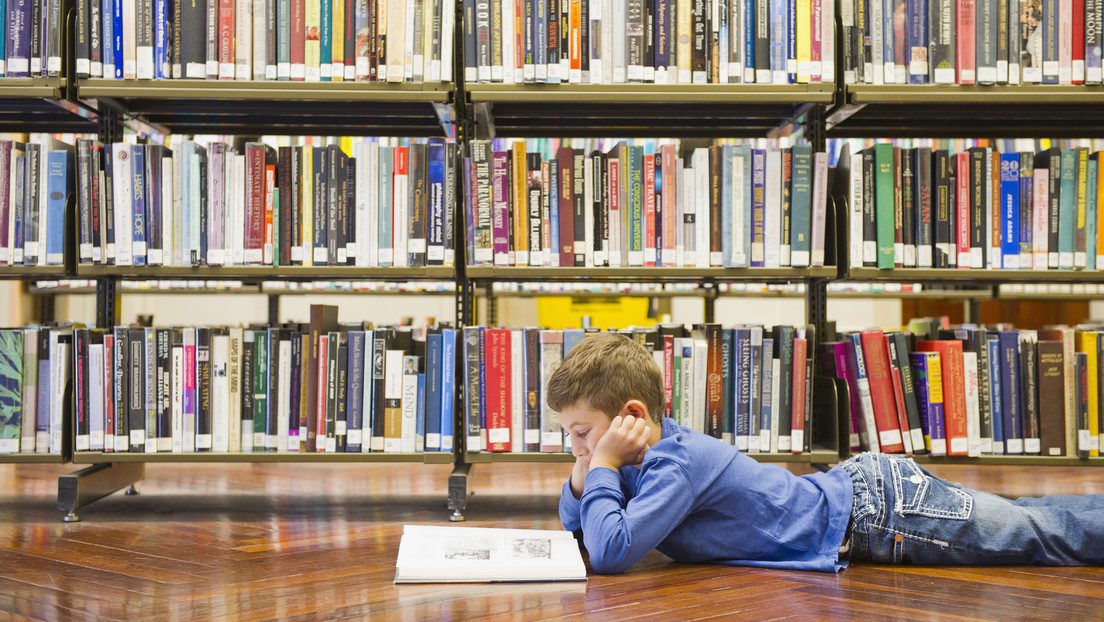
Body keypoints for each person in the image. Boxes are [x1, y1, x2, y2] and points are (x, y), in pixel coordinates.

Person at [551, 332, 1104, 574]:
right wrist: (585, 475)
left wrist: (597, 466)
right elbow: (583, 528)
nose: (575, 447)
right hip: (867, 502)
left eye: (581, 431)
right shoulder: (635, 457)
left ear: (632, 415)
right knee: (1031, 517)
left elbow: (611, 553)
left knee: (1036, 536)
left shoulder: (677, 462)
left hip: (880, 512)